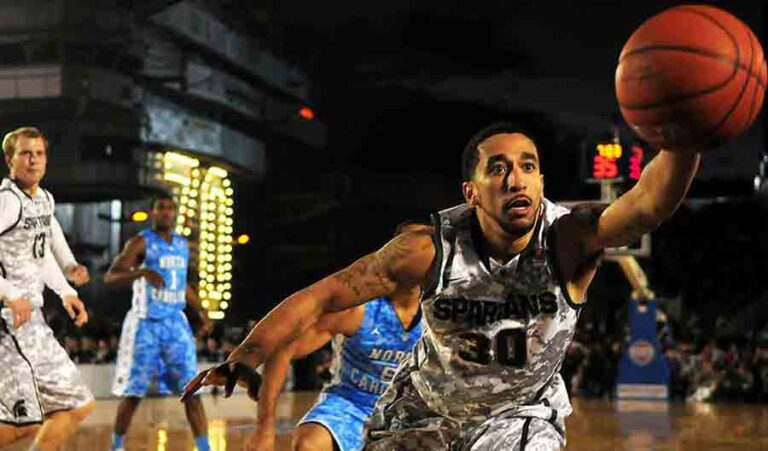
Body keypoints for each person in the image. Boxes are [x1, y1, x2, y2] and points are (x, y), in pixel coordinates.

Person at [184, 122, 700, 450]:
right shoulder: (426, 250)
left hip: (517, 414)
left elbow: (646, 206)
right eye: (498, 169)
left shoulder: (569, 238)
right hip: (423, 410)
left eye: (528, 167)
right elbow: (324, 295)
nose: (516, 179)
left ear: (541, 184)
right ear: (471, 192)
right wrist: (245, 355)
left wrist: (686, 136)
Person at [246, 223, 426, 451]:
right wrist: (265, 428)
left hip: (413, 412)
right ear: (390, 255)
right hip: (351, 405)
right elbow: (285, 347)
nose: (420, 251)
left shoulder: (444, 312)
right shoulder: (358, 307)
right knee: (309, 444)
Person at [0, 126, 94, 450]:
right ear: (9, 160)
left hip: (32, 321)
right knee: (22, 424)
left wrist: (67, 289)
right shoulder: (7, 201)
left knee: (76, 406)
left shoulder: (43, 200)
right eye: (25, 153)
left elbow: (46, 251)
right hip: (8, 323)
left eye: (39, 153)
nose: (33, 160)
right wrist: (10, 294)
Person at [104, 193, 213, 451]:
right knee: (133, 393)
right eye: (161, 208)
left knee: (192, 390)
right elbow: (111, 276)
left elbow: (182, 284)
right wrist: (141, 271)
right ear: (153, 212)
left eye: (170, 208)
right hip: (146, 324)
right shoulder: (141, 242)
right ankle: (116, 446)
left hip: (175, 324)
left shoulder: (182, 245)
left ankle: (205, 448)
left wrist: (202, 311)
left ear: (175, 213)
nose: (166, 212)